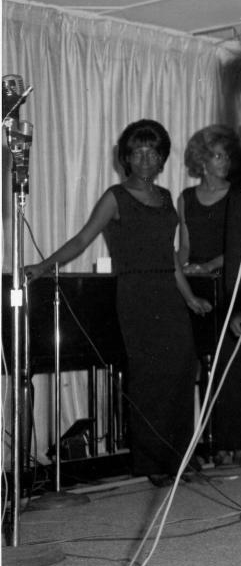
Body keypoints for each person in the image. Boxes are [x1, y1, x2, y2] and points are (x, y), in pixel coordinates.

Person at [25, 119, 211, 486]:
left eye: (153, 151)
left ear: (162, 158)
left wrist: (189, 298)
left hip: (168, 296)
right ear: (126, 157)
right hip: (136, 294)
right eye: (138, 151)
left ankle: (178, 457)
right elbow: (81, 241)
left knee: (179, 373)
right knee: (149, 378)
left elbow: (170, 256)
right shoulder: (115, 196)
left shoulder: (166, 197)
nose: (145, 158)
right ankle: (153, 463)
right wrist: (43, 267)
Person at [178, 124, 241, 466]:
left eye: (226, 156)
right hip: (196, 284)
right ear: (202, 161)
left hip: (227, 283)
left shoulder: (238, 195)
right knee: (190, 362)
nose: (224, 163)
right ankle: (195, 444)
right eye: (218, 156)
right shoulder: (186, 198)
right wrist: (184, 271)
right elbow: (185, 246)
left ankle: (231, 443)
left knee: (227, 366)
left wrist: (208, 267)